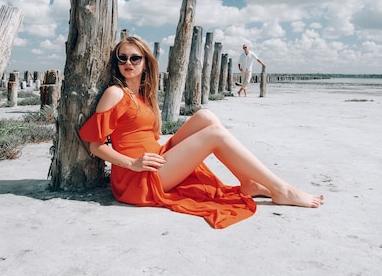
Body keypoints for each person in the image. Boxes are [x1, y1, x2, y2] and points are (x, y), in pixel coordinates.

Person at [79, 36, 323, 229]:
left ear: (145, 62)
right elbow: (95, 146)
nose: (128, 63)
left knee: (205, 117)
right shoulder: (115, 92)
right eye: (122, 58)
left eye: (134, 58)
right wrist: (133, 163)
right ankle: (282, 190)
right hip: (138, 178)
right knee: (215, 134)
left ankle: (248, 182)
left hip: (156, 159)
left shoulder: (143, 96)